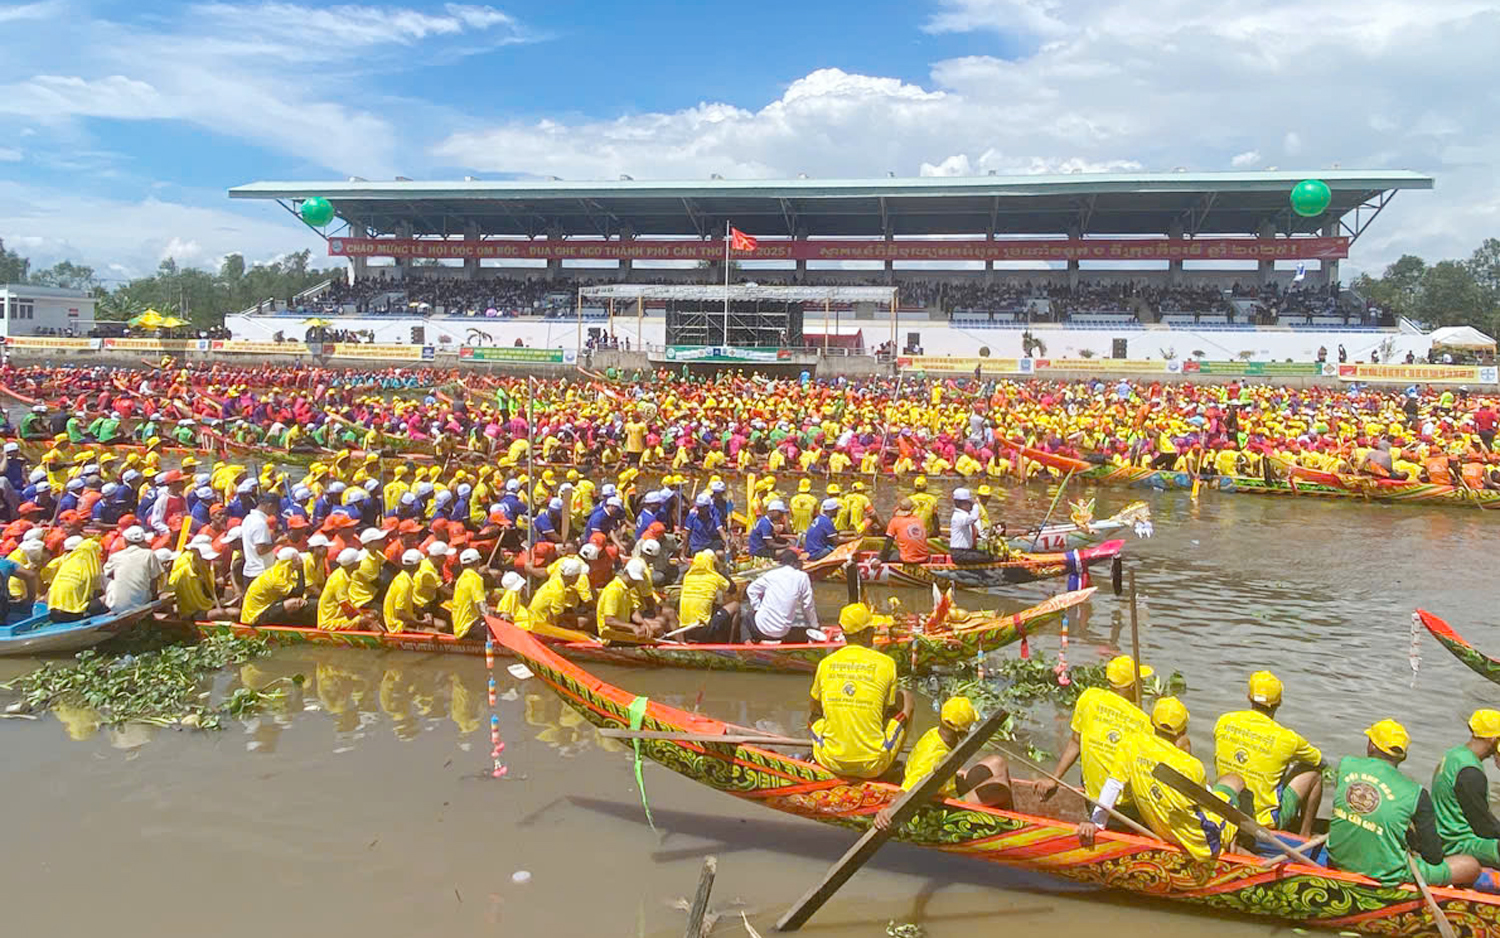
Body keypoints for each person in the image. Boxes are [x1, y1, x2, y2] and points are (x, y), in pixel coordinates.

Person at [1076, 697, 1244, 862]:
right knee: (1234, 780)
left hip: (1158, 828)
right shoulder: (1192, 765)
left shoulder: (1131, 744)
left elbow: (1113, 784)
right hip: (1200, 843)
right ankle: (1236, 840)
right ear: (1183, 731)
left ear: (1151, 721)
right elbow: (1207, 804)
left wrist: (1097, 823)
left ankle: (1233, 837)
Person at [1328, 720, 1481, 887]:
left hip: (1338, 859)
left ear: (1371, 745)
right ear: (1403, 757)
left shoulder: (1346, 764)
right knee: (1471, 865)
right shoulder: (1416, 793)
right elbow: (1434, 857)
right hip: (1387, 873)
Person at [1212, 671, 1325, 838]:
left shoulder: (1224, 721)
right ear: (1279, 703)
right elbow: (1319, 760)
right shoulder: (1288, 739)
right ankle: (1304, 834)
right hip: (1263, 823)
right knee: (1313, 773)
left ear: (1249, 697)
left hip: (1228, 808)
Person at [873, 696, 1014, 830]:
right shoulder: (931, 758)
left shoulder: (936, 732)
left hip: (948, 785)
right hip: (948, 802)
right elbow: (907, 789)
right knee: (1001, 786)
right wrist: (889, 810)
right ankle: (1008, 821)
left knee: (997, 762)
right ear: (962, 733)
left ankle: (1006, 814)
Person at [807, 602, 913, 779]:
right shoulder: (887, 663)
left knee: (814, 718)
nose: (874, 632)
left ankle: (833, 749)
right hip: (873, 766)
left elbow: (814, 710)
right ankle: (888, 762)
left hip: (830, 760)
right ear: (864, 633)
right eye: (871, 628)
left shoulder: (825, 663)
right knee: (907, 698)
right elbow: (885, 711)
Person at [1035, 655, 1152, 809]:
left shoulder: (1089, 697)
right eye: (1140, 682)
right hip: (1122, 802)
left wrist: (1054, 779)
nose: (1142, 685)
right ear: (1132, 687)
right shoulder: (1143, 721)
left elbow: (1075, 742)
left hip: (1093, 793)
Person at [1430, 710, 1500, 878]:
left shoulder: (1455, 755)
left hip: (1442, 833)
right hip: (1457, 843)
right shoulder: (1471, 773)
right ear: (1493, 739)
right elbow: (1483, 826)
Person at [743, 549, 819, 643]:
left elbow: (751, 589)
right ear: (793, 562)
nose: (802, 564)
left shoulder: (771, 575)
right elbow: (808, 605)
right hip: (782, 632)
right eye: (800, 561)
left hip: (761, 628)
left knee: (745, 617)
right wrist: (815, 625)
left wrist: (757, 608)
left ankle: (747, 643)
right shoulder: (802, 577)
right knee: (797, 621)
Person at [240, 546, 310, 626]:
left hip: (267, 608)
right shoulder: (276, 578)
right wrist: (300, 570)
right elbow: (297, 593)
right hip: (255, 617)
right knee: (294, 603)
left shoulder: (280, 573)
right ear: (290, 563)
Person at [677, 548, 737, 643]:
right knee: (735, 605)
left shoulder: (687, 577)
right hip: (702, 629)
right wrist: (720, 569)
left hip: (685, 629)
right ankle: (731, 642)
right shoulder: (715, 577)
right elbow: (733, 589)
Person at [102, 525, 164, 610]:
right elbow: (155, 579)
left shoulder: (116, 557)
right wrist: (153, 599)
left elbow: (106, 574)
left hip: (116, 606)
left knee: (111, 578)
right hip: (141, 603)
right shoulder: (148, 554)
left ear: (125, 541)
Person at [48, 537, 106, 622]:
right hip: (73, 615)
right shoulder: (91, 569)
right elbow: (98, 592)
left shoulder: (65, 564)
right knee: (107, 596)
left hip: (53, 613)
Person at [317, 548, 363, 631]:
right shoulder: (340, 578)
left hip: (339, 618)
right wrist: (364, 615)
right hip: (329, 623)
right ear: (352, 564)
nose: (361, 562)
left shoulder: (346, 574)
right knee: (366, 621)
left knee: (372, 615)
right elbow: (347, 608)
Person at [449, 547, 487, 640]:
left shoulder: (461, 579)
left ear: (462, 566)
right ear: (478, 563)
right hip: (469, 628)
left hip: (459, 628)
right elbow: (482, 606)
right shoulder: (475, 578)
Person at [878, 497, 931, 564]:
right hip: (925, 558)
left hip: (907, 559)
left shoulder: (895, 521)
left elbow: (888, 542)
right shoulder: (919, 520)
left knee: (882, 554)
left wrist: (880, 559)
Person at [946, 488, 989, 564]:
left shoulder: (964, 515)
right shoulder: (959, 516)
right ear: (963, 503)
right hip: (959, 553)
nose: (970, 505)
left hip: (965, 551)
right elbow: (973, 518)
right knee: (988, 557)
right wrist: (976, 505)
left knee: (985, 553)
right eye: (969, 503)